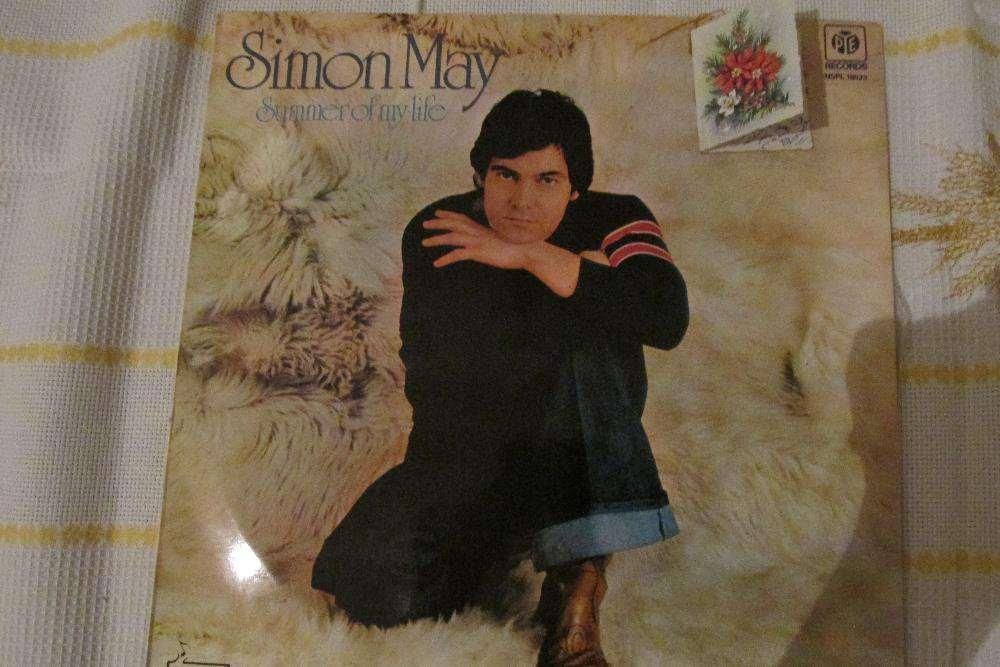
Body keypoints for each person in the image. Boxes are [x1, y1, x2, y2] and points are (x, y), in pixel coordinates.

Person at [312, 89, 688, 666]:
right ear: (480, 174)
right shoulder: (441, 229)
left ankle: (579, 579)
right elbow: (440, 382)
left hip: (577, 451)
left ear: (576, 188)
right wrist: (584, 279)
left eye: (547, 180)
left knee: (591, 346)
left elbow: (664, 317)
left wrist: (531, 257)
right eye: (505, 175)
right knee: (373, 590)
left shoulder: (617, 216)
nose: (521, 200)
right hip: (472, 457)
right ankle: (521, 545)